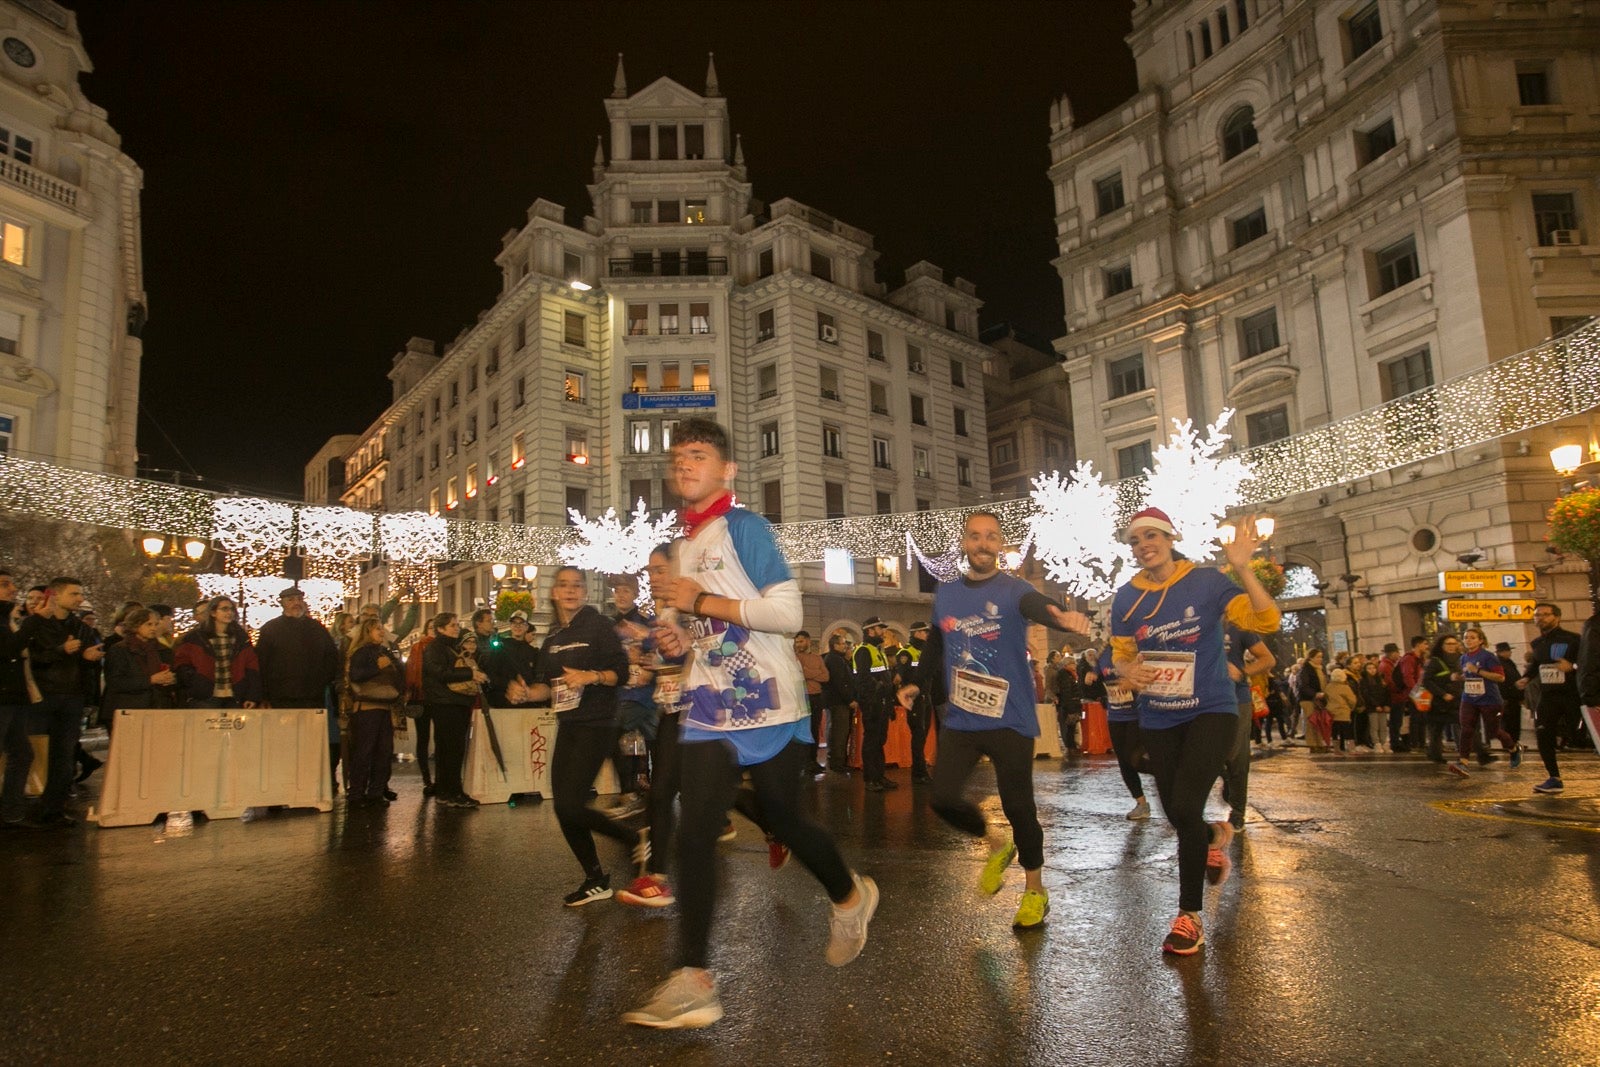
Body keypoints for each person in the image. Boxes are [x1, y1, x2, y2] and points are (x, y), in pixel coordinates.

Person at [625, 417, 875, 1030]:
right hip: (709, 707)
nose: (685, 464)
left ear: (727, 469)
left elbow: (787, 614)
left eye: (699, 455)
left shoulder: (745, 527)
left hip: (770, 702)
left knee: (785, 818)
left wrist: (697, 603)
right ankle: (693, 978)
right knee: (693, 829)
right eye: (679, 455)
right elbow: (694, 636)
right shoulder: (679, 547)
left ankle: (849, 895)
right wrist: (672, 638)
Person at [1111, 508, 1280, 956]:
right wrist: (1128, 670)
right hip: (1159, 716)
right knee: (1177, 812)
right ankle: (1209, 837)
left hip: (1211, 710)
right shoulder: (1126, 597)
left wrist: (1243, 567)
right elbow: (1121, 653)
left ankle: (1189, 917)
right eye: (1135, 539)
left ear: (1171, 537)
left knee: (1185, 804)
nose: (1143, 544)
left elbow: (1267, 621)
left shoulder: (1205, 582)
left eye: (1152, 535)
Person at [920, 509, 1091, 930]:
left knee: (1019, 807)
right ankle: (997, 845)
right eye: (975, 536)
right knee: (941, 797)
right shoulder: (946, 595)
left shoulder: (1014, 590)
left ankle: (1034, 890)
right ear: (964, 542)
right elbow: (937, 646)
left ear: (1000, 545)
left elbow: (1037, 604)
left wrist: (1060, 616)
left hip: (1009, 717)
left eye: (991, 537)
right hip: (962, 718)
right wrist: (913, 684)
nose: (982, 544)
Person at [527, 565, 636, 905]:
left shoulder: (598, 626)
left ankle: (632, 839)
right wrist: (529, 694)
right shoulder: (553, 637)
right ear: (555, 592)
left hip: (601, 722)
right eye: (564, 585)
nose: (571, 590)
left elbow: (622, 672)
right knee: (564, 807)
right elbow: (546, 684)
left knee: (572, 804)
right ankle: (595, 879)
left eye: (577, 585)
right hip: (569, 724)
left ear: (585, 592)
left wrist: (591, 676)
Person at [618, 544, 686, 909]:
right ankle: (656, 877)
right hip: (674, 713)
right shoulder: (657, 614)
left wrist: (667, 662)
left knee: (713, 791)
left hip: (705, 712)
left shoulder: (693, 606)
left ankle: (775, 826)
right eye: (650, 571)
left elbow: (709, 653)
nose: (654, 577)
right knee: (662, 791)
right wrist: (649, 663)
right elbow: (663, 660)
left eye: (661, 569)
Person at [15, 576, 104, 826]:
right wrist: (60, 651)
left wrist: (87, 657)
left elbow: (86, 659)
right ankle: (24, 806)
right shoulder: (39, 625)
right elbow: (31, 658)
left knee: (64, 756)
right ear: (56, 595)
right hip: (43, 697)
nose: (80, 598)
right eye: (74, 594)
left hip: (71, 696)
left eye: (80, 594)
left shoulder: (80, 626)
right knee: (33, 753)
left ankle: (53, 808)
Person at [420, 612, 487, 808]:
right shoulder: (436, 648)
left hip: (453, 702)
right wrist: (470, 673)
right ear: (440, 629)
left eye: (457, 624)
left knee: (450, 749)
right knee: (451, 749)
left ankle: (447, 790)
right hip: (446, 703)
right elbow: (440, 673)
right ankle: (452, 791)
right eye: (452, 625)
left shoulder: (449, 647)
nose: (456, 628)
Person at [608, 574, 657, 819]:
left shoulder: (647, 622)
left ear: (636, 594)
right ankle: (636, 792)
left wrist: (647, 666)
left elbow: (657, 651)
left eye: (626, 590)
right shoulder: (610, 626)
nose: (621, 595)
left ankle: (632, 792)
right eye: (617, 591)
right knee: (649, 744)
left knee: (611, 730)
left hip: (643, 695)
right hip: (623, 694)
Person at [345, 616, 404, 807]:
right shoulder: (361, 653)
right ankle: (356, 794)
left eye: (382, 627)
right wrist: (376, 667)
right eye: (377, 628)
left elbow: (400, 673)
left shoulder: (386, 651)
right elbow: (356, 676)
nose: (381, 631)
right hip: (367, 708)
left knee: (384, 752)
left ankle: (376, 792)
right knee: (364, 751)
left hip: (385, 706)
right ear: (367, 633)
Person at [1220, 626, 1273, 827]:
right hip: (1203, 699)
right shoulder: (1192, 621)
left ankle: (1238, 812)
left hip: (1236, 698)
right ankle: (1224, 775)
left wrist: (1242, 672)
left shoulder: (1239, 627)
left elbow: (1268, 659)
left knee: (1237, 755)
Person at [1525, 603, 1580, 794]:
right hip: (1548, 696)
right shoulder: (1537, 644)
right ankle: (1554, 778)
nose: (1540, 618)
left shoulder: (1573, 639)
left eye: (1545, 615)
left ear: (1557, 617)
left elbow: (1588, 663)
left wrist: (1572, 667)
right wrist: (1525, 678)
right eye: (1536, 615)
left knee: (1581, 738)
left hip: (1572, 695)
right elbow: (1536, 665)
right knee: (1543, 734)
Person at [1449, 626, 1518, 777]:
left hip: (1489, 699)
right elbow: (1468, 676)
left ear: (1481, 640)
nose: (1468, 640)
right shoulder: (1463, 658)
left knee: (1494, 731)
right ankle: (1464, 763)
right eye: (1466, 637)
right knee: (1466, 729)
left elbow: (1500, 677)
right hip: (1469, 698)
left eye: (1472, 637)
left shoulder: (1488, 657)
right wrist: (1458, 677)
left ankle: (1513, 748)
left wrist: (1478, 671)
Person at [256, 587, 340, 710]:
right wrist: (264, 695)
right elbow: (262, 662)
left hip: (313, 695)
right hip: (280, 696)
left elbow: (331, 657)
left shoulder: (316, 628)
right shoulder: (270, 629)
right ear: (282, 603)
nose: (296, 603)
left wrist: (322, 680)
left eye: (299, 599)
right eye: (291, 600)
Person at [173, 596, 261, 710]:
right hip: (205, 696)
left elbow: (251, 667)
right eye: (224, 609)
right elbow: (182, 662)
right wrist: (195, 682)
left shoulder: (240, 637)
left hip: (235, 696)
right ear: (213, 613)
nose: (229, 613)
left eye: (232, 609)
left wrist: (252, 696)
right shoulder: (195, 637)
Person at [0, 571, 37, 829]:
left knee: (22, 753)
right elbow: (9, 649)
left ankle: (12, 811)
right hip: (3, 697)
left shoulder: (7, 619)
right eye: (4, 585)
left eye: (11, 583)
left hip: (13, 697)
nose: (12, 589)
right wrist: (34, 622)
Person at [1098, 647, 1149, 819]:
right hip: (1115, 715)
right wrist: (1091, 677)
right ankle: (1141, 803)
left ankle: (1170, 776)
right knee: (1123, 761)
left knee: (1133, 757)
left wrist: (1132, 684)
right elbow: (1098, 678)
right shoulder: (1105, 653)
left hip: (1136, 714)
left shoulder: (1133, 649)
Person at [101, 608, 178, 720]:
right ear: (135, 625)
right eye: (148, 624)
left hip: (158, 706)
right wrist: (150, 680)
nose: (153, 628)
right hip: (129, 709)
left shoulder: (163, 650)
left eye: (156, 624)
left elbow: (174, 673)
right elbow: (115, 682)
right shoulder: (120, 650)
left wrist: (172, 679)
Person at [852, 616, 897, 791]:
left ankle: (879, 776)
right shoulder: (863, 651)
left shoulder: (877, 650)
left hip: (882, 703)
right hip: (872, 703)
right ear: (870, 631)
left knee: (880, 740)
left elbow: (884, 676)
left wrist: (889, 702)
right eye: (880, 628)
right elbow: (863, 678)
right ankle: (870, 779)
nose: (883, 632)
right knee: (871, 741)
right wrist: (879, 689)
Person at [1421, 633, 1465, 766]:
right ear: (1442, 646)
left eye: (1454, 643)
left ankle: (1478, 754)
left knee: (1465, 724)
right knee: (1437, 729)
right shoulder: (1435, 660)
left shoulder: (1460, 658)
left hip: (1457, 698)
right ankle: (1435, 754)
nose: (1452, 647)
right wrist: (1443, 693)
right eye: (1448, 644)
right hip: (1439, 701)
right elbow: (1427, 681)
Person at [903, 621, 939, 783]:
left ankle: (921, 769)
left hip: (926, 697)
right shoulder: (907, 653)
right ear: (916, 633)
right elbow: (906, 677)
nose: (927, 635)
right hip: (915, 700)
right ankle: (918, 772)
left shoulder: (925, 652)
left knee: (922, 736)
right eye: (924, 632)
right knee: (918, 736)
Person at [793, 631, 830, 777]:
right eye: (797, 642)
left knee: (815, 729)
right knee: (804, 730)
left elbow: (826, 676)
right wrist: (815, 673)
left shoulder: (817, 658)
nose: (798, 644)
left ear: (808, 641)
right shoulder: (795, 658)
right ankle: (804, 762)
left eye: (801, 641)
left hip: (817, 697)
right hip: (803, 697)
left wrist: (809, 672)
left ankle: (813, 761)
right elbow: (800, 674)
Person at [821, 632, 855, 773]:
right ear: (835, 645)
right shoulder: (835, 660)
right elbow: (840, 682)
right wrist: (850, 699)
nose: (845, 646)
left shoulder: (837, 659)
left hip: (837, 701)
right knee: (839, 733)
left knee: (839, 732)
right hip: (839, 702)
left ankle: (838, 760)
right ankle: (837, 762)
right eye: (842, 643)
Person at [1296, 649, 1328, 751]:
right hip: (1308, 699)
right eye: (1318, 657)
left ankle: (1320, 743)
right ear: (1311, 657)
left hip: (1319, 699)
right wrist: (1314, 694)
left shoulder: (1320, 669)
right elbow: (1303, 686)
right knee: (1311, 721)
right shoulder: (1305, 669)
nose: (1320, 659)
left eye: (1321, 657)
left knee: (1319, 721)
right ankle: (1312, 744)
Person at [1358, 659, 1391, 754]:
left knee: (1383, 726)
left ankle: (1384, 742)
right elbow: (1366, 695)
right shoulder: (1364, 681)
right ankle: (1376, 743)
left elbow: (1386, 693)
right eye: (1369, 668)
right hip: (1372, 707)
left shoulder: (1380, 680)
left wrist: (1386, 704)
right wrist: (1375, 705)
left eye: (1373, 668)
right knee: (1374, 726)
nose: (1372, 670)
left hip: (1382, 706)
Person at [1494, 641, 1524, 746]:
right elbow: (1499, 682)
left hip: (1514, 697)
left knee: (1515, 721)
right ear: (1502, 652)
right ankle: (1508, 742)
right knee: (1507, 722)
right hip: (1506, 697)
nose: (1510, 653)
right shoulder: (1498, 664)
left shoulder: (1509, 662)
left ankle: (1514, 741)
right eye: (1508, 651)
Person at [1053, 652, 1082, 754]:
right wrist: (1070, 704)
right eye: (1073, 663)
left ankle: (1072, 745)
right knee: (1070, 726)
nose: (1075, 665)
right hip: (1069, 703)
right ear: (1067, 664)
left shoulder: (1072, 674)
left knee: (1072, 726)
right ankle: (1070, 746)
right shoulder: (1065, 674)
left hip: (1073, 702)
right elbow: (1066, 690)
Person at [1324, 667, 1358, 753]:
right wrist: (1351, 708)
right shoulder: (1345, 687)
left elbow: (1326, 698)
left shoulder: (1328, 687)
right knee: (1347, 731)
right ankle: (1351, 748)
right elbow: (1352, 700)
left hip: (1331, 711)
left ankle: (1336, 749)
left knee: (1335, 731)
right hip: (1343, 712)